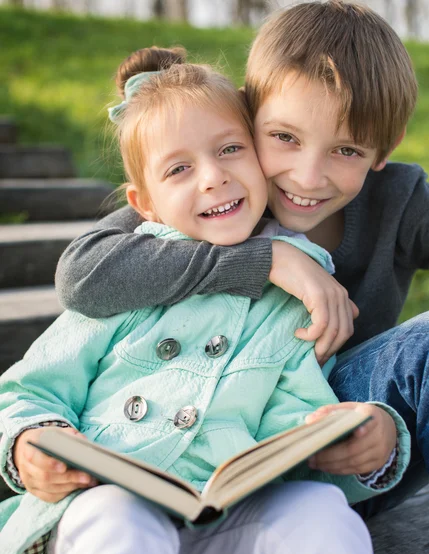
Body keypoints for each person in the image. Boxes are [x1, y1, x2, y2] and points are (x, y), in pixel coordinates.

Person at [0, 48, 408, 554]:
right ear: (144, 204)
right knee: (116, 517)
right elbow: (29, 387)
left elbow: (299, 422)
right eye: (180, 168)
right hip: (112, 512)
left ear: (259, 155)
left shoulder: (295, 295)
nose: (214, 178)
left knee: (314, 509)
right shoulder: (131, 278)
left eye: (230, 150)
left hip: (226, 534)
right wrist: (29, 446)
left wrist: (366, 442)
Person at [55, 0, 429, 518]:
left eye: (347, 151)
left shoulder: (400, 198)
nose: (307, 176)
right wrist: (267, 259)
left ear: (383, 151)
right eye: (284, 138)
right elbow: (83, 271)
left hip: (347, 432)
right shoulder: (214, 198)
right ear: (248, 113)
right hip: (213, 430)